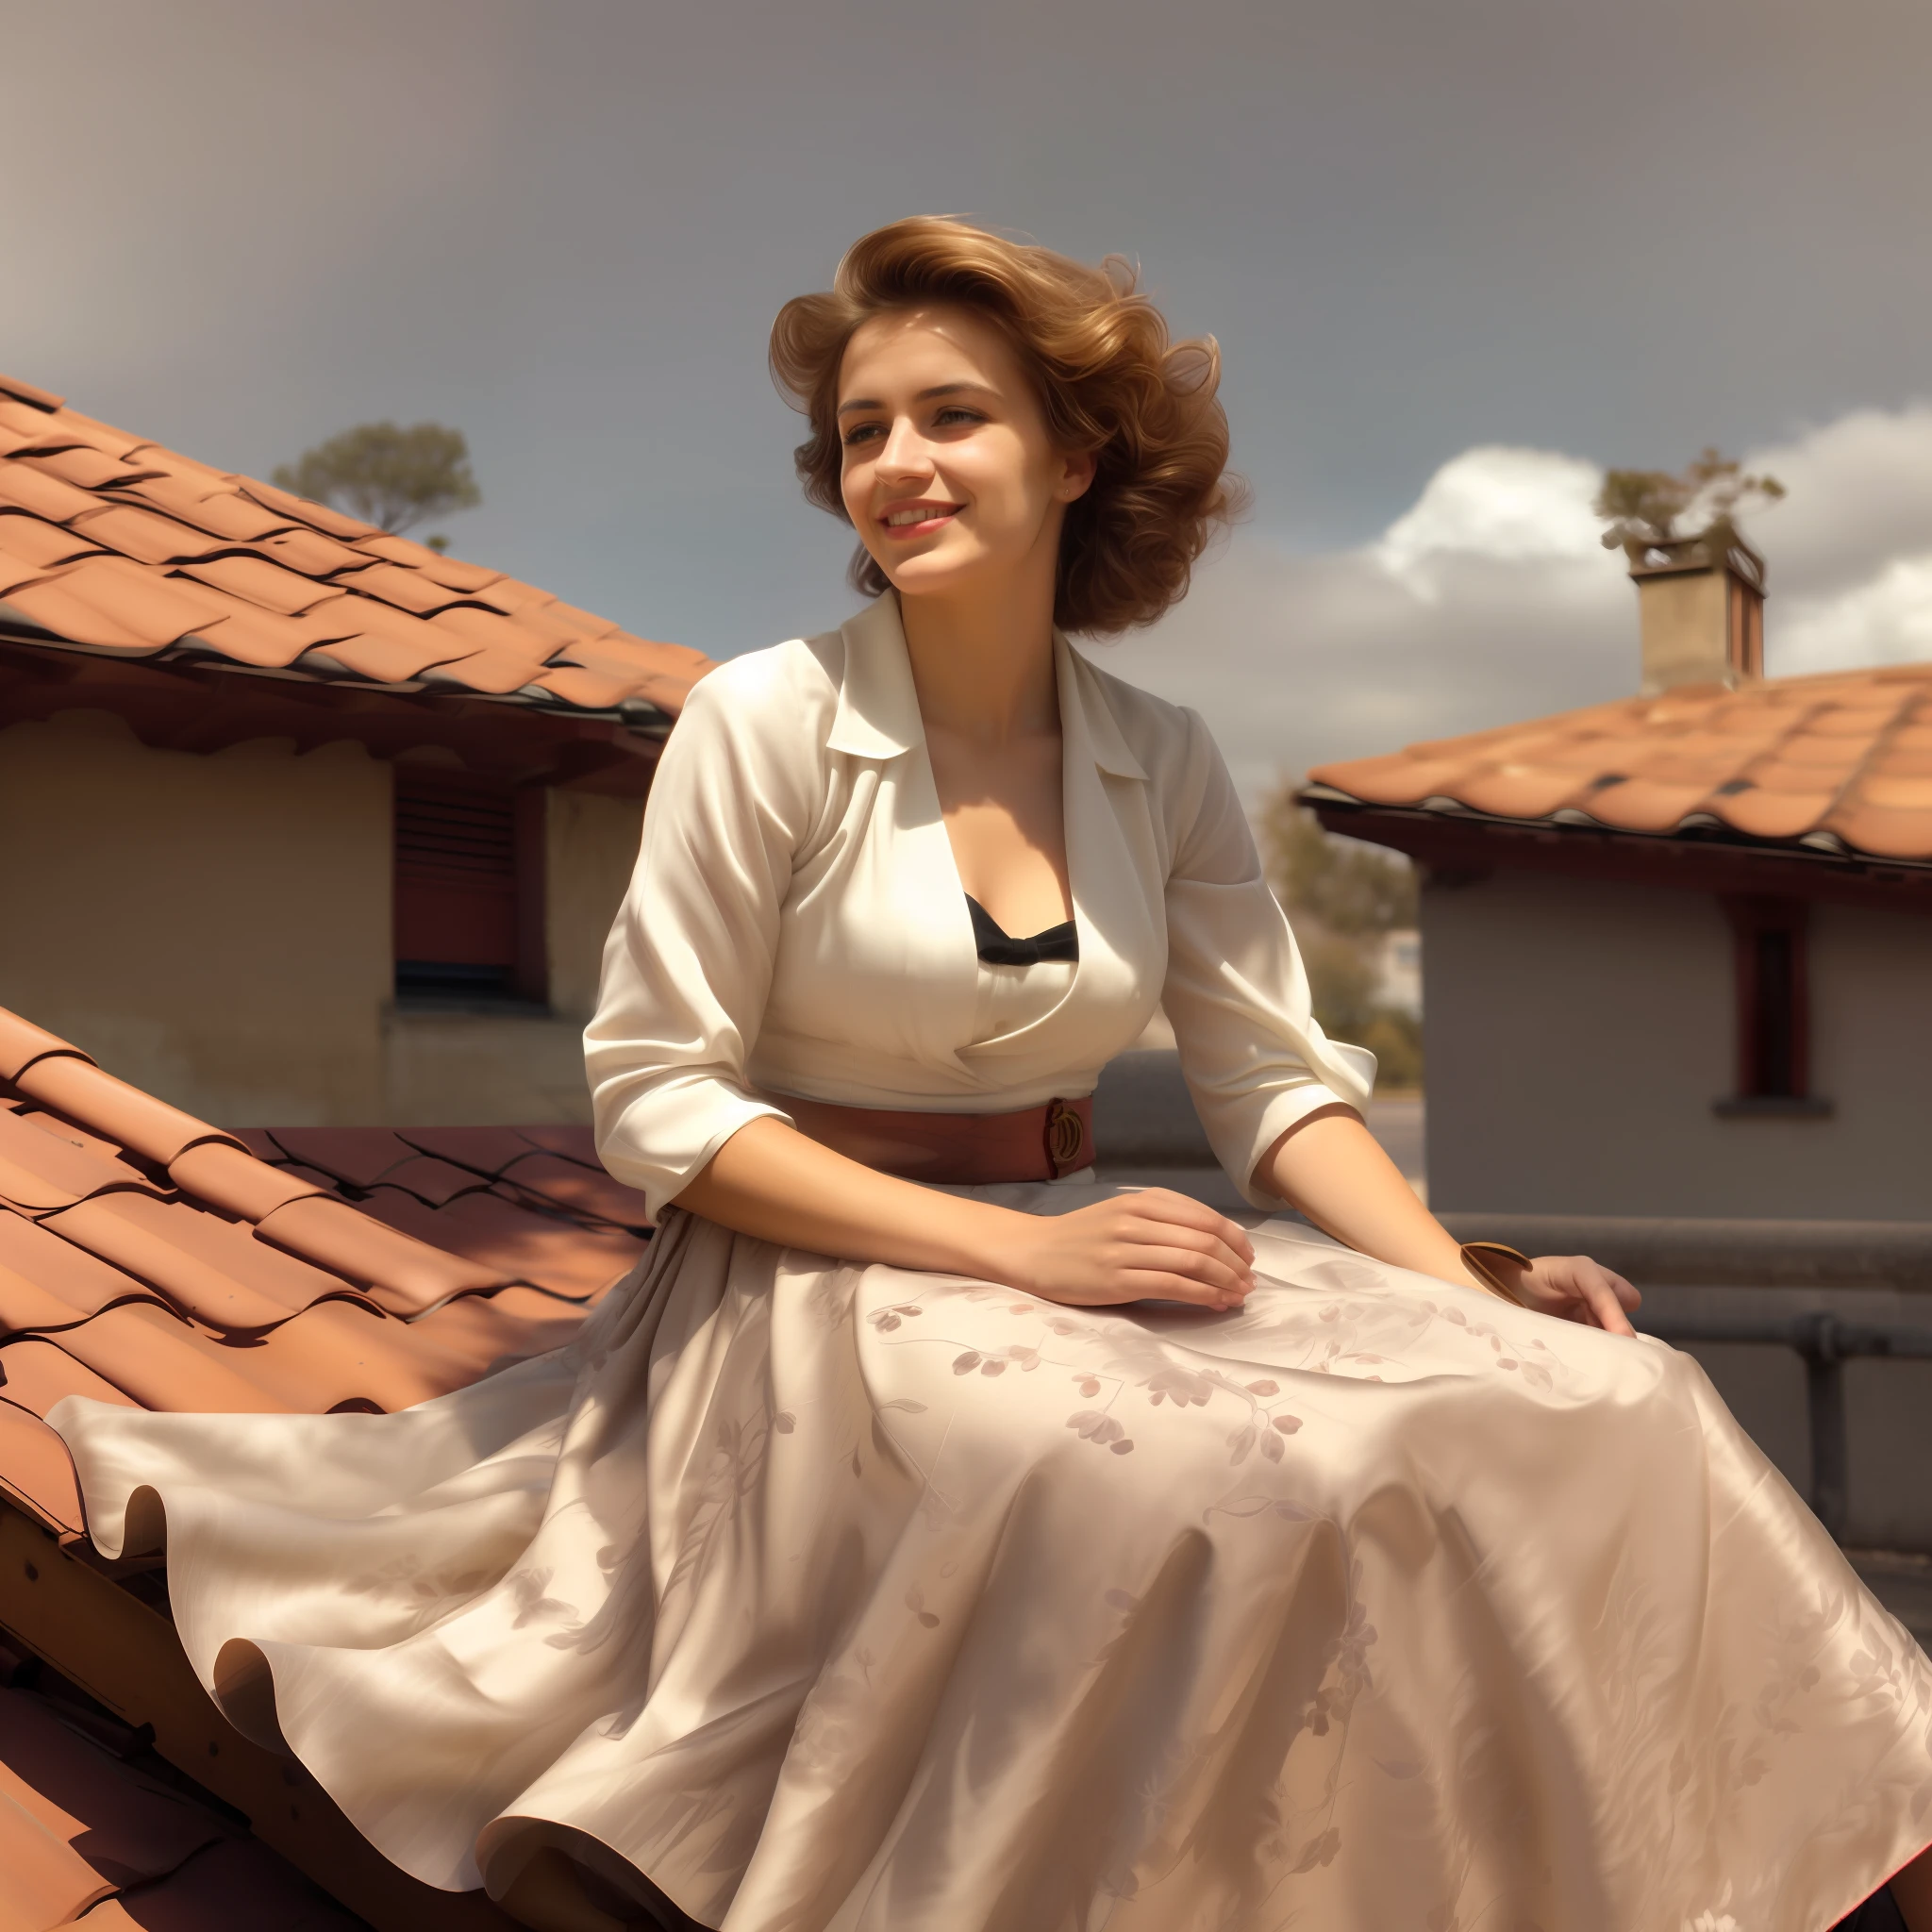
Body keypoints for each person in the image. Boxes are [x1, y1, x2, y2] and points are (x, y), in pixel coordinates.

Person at [52, 219, 1932, 1932]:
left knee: (1615, 1398)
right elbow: (662, 1104)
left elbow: (1275, 1085)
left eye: (952, 414)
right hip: (806, 1268)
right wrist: (1021, 1263)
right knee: (1226, 1485)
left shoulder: (1166, 755)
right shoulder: (759, 724)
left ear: (1078, 455)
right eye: (864, 430)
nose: (898, 464)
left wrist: (1472, 1282)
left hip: (1082, 1230)